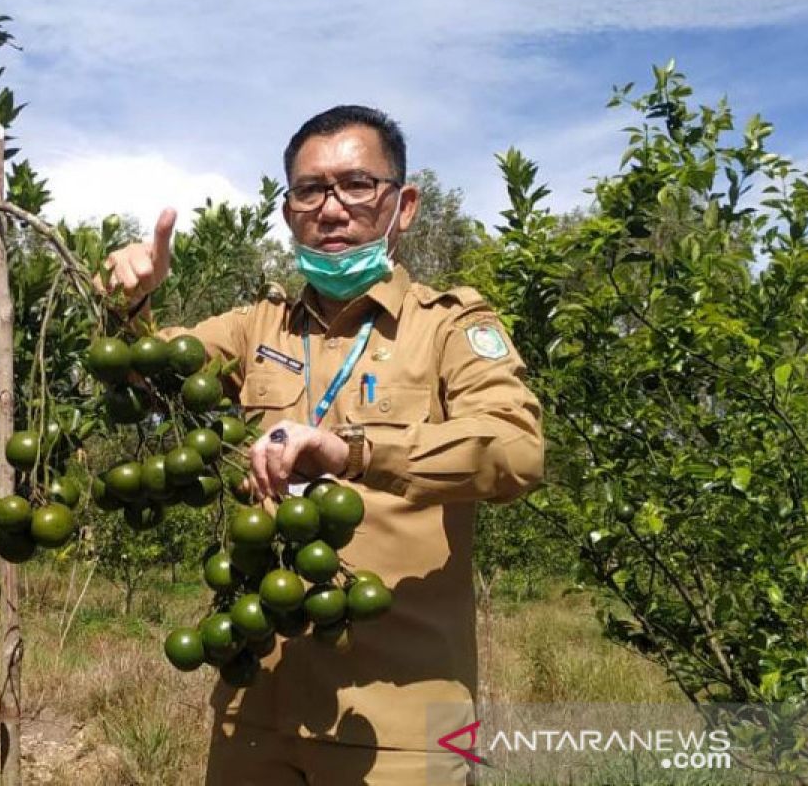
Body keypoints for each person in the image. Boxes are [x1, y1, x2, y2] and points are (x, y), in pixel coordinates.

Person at [104, 105, 544, 785]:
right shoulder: (258, 326)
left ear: (403, 206)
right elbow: (141, 369)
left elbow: (516, 450)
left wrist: (355, 450)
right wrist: (129, 304)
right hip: (255, 709)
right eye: (310, 190)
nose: (332, 209)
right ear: (288, 212)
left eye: (357, 185)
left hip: (407, 723)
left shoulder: (450, 326)